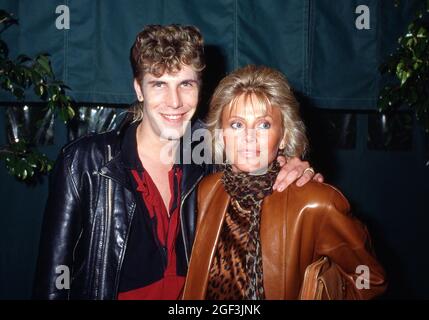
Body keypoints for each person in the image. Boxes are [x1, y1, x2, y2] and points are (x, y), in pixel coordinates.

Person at [32, 25, 321, 300]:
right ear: (139, 89)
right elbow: (52, 283)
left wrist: (291, 169)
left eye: (185, 84)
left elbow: (263, 169)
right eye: (159, 84)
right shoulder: (85, 162)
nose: (174, 102)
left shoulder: (215, 158)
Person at [182, 65, 387, 300]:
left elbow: (370, 279)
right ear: (220, 134)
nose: (249, 137)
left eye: (263, 125)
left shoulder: (317, 203)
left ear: (284, 136)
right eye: (237, 124)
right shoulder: (207, 190)